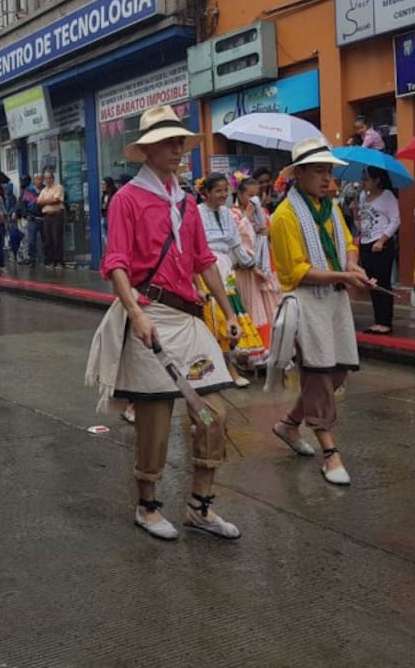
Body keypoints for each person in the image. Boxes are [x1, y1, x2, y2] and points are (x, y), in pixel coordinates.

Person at [85, 104, 242, 541]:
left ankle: (200, 505)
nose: (179, 149)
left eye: (181, 142)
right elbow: (115, 261)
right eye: (170, 142)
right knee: (154, 419)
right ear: (148, 149)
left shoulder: (188, 202)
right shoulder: (127, 199)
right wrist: (135, 313)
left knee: (212, 412)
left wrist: (229, 313)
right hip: (149, 314)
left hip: (187, 317)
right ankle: (148, 504)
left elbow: (203, 261)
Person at [268, 138, 373, 486]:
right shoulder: (284, 216)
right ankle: (330, 452)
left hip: (335, 297)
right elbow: (296, 271)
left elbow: (349, 244)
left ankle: (288, 424)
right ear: (299, 174)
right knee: (318, 373)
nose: (327, 179)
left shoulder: (329, 209)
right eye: (318, 171)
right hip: (306, 301)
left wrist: (353, 268)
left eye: (329, 171)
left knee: (339, 370)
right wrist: (345, 275)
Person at [197, 172, 268, 384]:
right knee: (213, 319)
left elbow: (236, 244)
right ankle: (214, 371)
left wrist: (253, 265)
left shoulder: (228, 214)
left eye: (225, 190)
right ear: (205, 193)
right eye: (218, 191)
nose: (222, 195)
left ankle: (231, 370)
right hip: (206, 269)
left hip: (226, 269)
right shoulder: (196, 213)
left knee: (231, 318)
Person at [233, 177, 282, 344]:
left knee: (270, 306)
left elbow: (271, 238)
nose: (253, 199)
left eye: (257, 195)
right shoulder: (234, 214)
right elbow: (235, 238)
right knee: (253, 307)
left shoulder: (264, 214)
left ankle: (272, 346)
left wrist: (266, 233)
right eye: (249, 195)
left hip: (266, 265)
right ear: (239, 194)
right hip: (246, 270)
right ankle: (254, 347)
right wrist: (246, 217)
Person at [356, 167, 400, 334]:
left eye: (366, 179)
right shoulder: (363, 197)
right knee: (371, 283)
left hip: (381, 244)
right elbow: (362, 222)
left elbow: (395, 219)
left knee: (382, 282)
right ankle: (377, 319)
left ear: (377, 180)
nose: (363, 182)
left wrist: (382, 240)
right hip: (366, 242)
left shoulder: (387, 196)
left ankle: (386, 321)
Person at [37, 169, 66, 268]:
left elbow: (57, 200)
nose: (48, 180)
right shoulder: (44, 190)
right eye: (46, 178)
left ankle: (59, 262)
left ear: (53, 178)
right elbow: (38, 202)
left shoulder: (59, 187)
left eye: (49, 178)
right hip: (46, 217)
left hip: (57, 215)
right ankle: (51, 261)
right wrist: (49, 200)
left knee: (56, 239)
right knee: (48, 239)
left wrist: (45, 201)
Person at [20, 173, 43, 264]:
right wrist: (26, 214)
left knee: (45, 240)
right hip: (32, 218)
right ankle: (32, 259)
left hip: (43, 217)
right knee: (31, 241)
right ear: (34, 180)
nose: (39, 181)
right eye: (38, 179)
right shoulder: (29, 191)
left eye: (41, 179)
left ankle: (45, 259)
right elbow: (23, 204)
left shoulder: (45, 190)